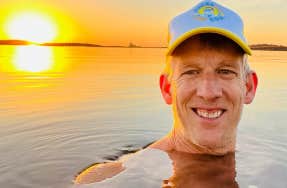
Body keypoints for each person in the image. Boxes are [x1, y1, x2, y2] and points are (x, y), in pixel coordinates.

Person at [74, 0, 257, 185]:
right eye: (191, 72)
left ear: (249, 87)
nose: (208, 92)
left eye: (225, 71)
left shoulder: (267, 164)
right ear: (167, 88)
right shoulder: (107, 180)